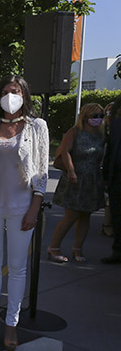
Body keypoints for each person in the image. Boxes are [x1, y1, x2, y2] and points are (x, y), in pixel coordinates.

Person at [0, 75, 49, 351]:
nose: (10, 96)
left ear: (24, 95)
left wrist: (35, 206)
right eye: (6, 91)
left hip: (22, 207)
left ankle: (11, 323)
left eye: (16, 91)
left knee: (17, 269)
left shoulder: (36, 127)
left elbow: (42, 171)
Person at [47, 103, 106, 263]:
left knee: (86, 215)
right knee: (71, 215)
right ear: (86, 117)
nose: (98, 119)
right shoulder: (75, 132)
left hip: (92, 179)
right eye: (95, 116)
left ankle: (78, 249)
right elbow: (65, 151)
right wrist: (72, 171)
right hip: (75, 178)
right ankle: (54, 247)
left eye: (101, 116)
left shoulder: (101, 134)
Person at [101, 96, 121, 264]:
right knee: (117, 217)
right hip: (117, 180)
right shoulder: (116, 125)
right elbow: (110, 151)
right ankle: (118, 251)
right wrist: (106, 176)